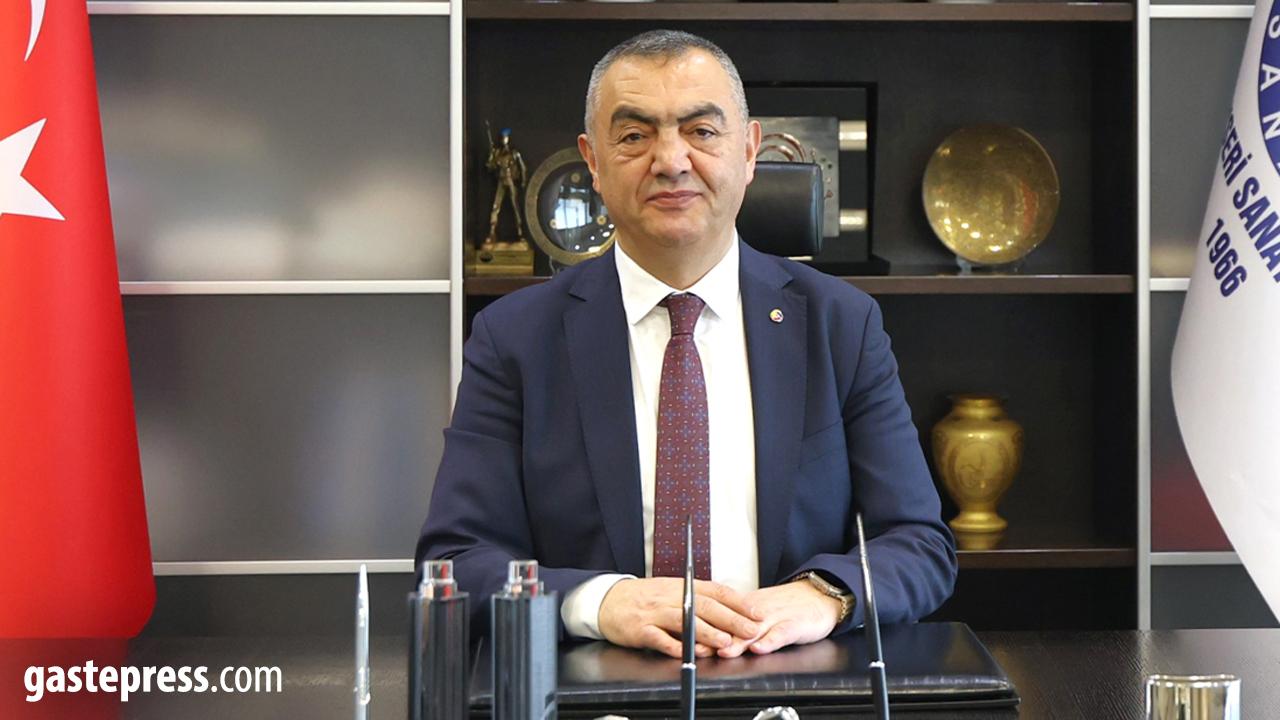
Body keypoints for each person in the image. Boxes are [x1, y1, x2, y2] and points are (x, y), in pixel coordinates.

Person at [418, 29, 956, 659]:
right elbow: (454, 563)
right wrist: (600, 602)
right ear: (593, 162)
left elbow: (919, 544)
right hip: (595, 682)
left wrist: (823, 596)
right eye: (634, 136)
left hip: (791, 675)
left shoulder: (841, 324)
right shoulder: (514, 337)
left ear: (749, 151)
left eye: (701, 131)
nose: (671, 161)